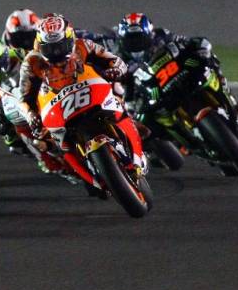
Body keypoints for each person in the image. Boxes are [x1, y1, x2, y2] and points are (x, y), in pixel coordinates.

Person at [17, 15, 143, 188]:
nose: (56, 52)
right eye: (50, 48)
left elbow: (113, 60)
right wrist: (30, 115)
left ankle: (136, 153)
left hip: (90, 90)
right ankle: (83, 173)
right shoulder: (31, 62)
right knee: (47, 142)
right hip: (58, 104)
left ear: (70, 39)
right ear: (39, 45)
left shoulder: (84, 45)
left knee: (119, 105)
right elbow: (24, 97)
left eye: (60, 46)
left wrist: (116, 69)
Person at [107, 12, 238, 123]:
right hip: (155, 88)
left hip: (178, 70)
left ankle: (234, 104)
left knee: (210, 61)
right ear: (122, 39)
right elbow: (124, 88)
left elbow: (185, 41)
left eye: (139, 38)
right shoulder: (119, 56)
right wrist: (131, 104)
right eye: (130, 39)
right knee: (143, 116)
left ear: (149, 34)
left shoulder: (162, 35)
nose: (135, 43)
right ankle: (178, 141)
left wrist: (200, 48)